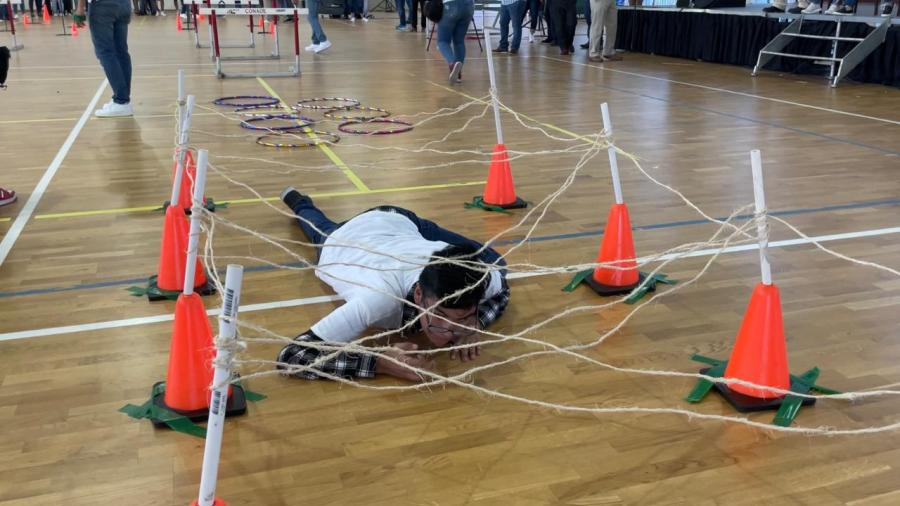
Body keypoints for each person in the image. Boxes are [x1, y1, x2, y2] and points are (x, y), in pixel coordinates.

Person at [276, 188, 510, 382]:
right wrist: (379, 363)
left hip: (402, 222)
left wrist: (476, 324)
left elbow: (502, 289)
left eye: (461, 319)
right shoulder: (379, 299)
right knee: (318, 226)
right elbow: (292, 355)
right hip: (345, 239)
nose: (448, 333)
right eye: (439, 316)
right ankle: (300, 203)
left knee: (498, 264)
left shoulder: (481, 280)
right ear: (418, 294)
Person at [75, 0, 134, 117]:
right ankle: (123, 99)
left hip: (102, 6)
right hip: (124, 4)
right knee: (121, 52)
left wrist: (80, 8)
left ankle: (121, 101)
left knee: (106, 53)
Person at [437, 0, 475, 84]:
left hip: (450, 5)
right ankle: (457, 74)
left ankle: (453, 63)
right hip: (468, 6)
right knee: (459, 41)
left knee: (442, 41)